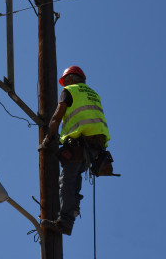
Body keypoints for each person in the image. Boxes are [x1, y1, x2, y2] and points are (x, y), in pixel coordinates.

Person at [38, 65, 111, 236]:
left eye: (65, 82)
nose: (64, 86)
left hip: (80, 143)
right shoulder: (93, 94)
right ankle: (74, 207)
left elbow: (56, 117)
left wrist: (47, 140)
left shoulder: (69, 91)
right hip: (96, 147)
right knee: (75, 176)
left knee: (66, 181)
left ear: (70, 79)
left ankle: (65, 221)